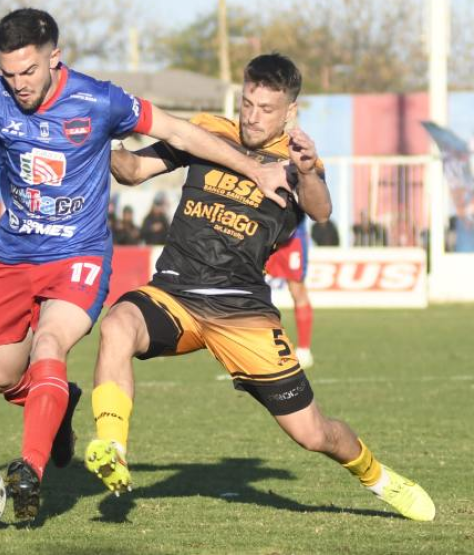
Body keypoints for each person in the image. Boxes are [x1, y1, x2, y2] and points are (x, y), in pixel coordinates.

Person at [0, 8, 290, 522]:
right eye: (9, 73)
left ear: (55, 58)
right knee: (1, 376)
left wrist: (253, 169)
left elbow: (180, 133)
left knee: (50, 343)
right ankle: (59, 401)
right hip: (14, 257)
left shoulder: (99, 99)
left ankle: (30, 469)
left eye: (29, 71)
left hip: (78, 254)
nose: (19, 84)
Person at [84, 53, 435, 523]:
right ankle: (112, 448)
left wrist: (306, 171)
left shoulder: (297, 160)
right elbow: (131, 170)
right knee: (117, 324)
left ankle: (379, 477)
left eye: (266, 109)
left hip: (242, 311)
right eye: (247, 103)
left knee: (314, 434)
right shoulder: (208, 131)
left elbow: (321, 210)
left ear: (290, 112)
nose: (252, 116)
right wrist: (96, 139)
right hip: (175, 294)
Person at [265, 220, 315, 368]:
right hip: (264, 236)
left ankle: (304, 350)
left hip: (293, 238)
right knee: (253, 287)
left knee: (297, 289)